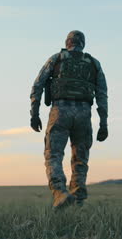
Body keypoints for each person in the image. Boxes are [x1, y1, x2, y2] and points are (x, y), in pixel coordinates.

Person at [29, 30, 108, 208]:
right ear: (83, 44)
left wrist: (34, 113)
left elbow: (37, 85)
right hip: (84, 114)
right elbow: (102, 95)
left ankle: (59, 192)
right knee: (80, 159)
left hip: (60, 111)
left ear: (68, 42)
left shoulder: (57, 58)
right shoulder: (94, 64)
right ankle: (78, 199)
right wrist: (103, 123)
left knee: (53, 155)